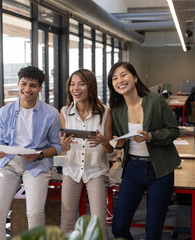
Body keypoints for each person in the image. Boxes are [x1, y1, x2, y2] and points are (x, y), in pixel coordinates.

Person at [108, 62, 181, 240]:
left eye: (123, 75)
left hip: (160, 170)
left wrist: (150, 137)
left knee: (153, 231)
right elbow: (118, 140)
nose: (119, 80)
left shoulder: (155, 101)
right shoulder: (116, 110)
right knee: (118, 228)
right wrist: (116, 142)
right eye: (114, 78)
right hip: (133, 168)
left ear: (134, 78)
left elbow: (173, 131)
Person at [0, 66, 62, 239]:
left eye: (33, 85)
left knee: (35, 213)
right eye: (24, 84)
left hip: (37, 164)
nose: (27, 89)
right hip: (9, 165)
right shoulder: (4, 112)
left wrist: (41, 154)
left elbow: (57, 146)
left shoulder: (50, 114)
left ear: (39, 88)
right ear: (18, 83)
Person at [59, 69, 113, 239]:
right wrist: (64, 146)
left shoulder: (105, 111)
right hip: (72, 170)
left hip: (96, 170)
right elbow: (64, 150)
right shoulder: (65, 112)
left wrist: (103, 141)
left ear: (90, 87)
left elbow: (110, 150)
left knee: (99, 225)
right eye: (73, 84)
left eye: (81, 84)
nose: (76, 88)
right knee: (66, 224)